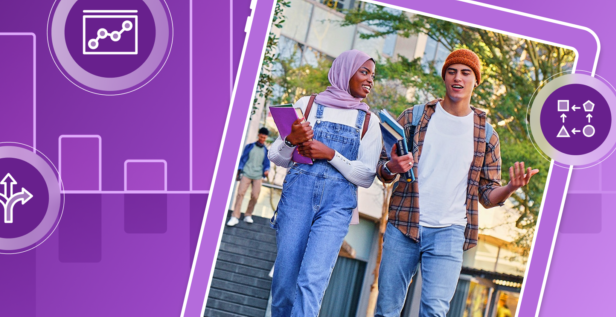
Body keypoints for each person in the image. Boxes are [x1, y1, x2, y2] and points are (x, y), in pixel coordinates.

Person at [375, 49, 539, 317]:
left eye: (465, 73)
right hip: (403, 224)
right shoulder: (413, 118)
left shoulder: (487, 135)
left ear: (476, 80)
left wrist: (510, 187)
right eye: (452, 71)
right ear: (444, 77)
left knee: (435, 312)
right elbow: (383, 170)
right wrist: (391, 167)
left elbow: (486, 196)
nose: (457, 78)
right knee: (387, 310)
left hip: (449, 232)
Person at [267, 49, 382, 317]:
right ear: (345, 72)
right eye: (364, 72)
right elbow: (276, 156)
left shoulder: (368, 121)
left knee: (312, 282)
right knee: (284, 281)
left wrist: (330, 154)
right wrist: (291, 140)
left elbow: (366, 176)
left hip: (337, 206)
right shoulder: (308, 104)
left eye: (372, 75)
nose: (370, 80)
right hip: (296, 199)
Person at [227, 127, 271, 226]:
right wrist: (239, 170)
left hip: (258, 175)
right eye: (261, 137)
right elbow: (242, 159)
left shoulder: (266, 151)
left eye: (264, 138)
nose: (262, 139)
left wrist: (267, 170)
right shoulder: (250, 146)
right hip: (246, 173)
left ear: (266, 137)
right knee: (240, 193)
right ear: (258, 135)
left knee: (255, 196)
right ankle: (234, 216)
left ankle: (248, 215)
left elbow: (267, 164)